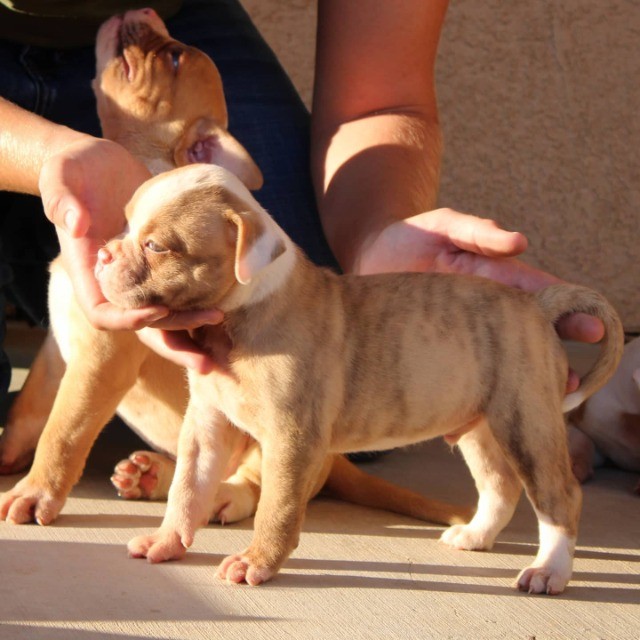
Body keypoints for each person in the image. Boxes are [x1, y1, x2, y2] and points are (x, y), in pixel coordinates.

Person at [0, 0, 602, 412]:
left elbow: (380, 98)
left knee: (329, 389)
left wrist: (374, 231)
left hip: (164, 44)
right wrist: (50, 155)